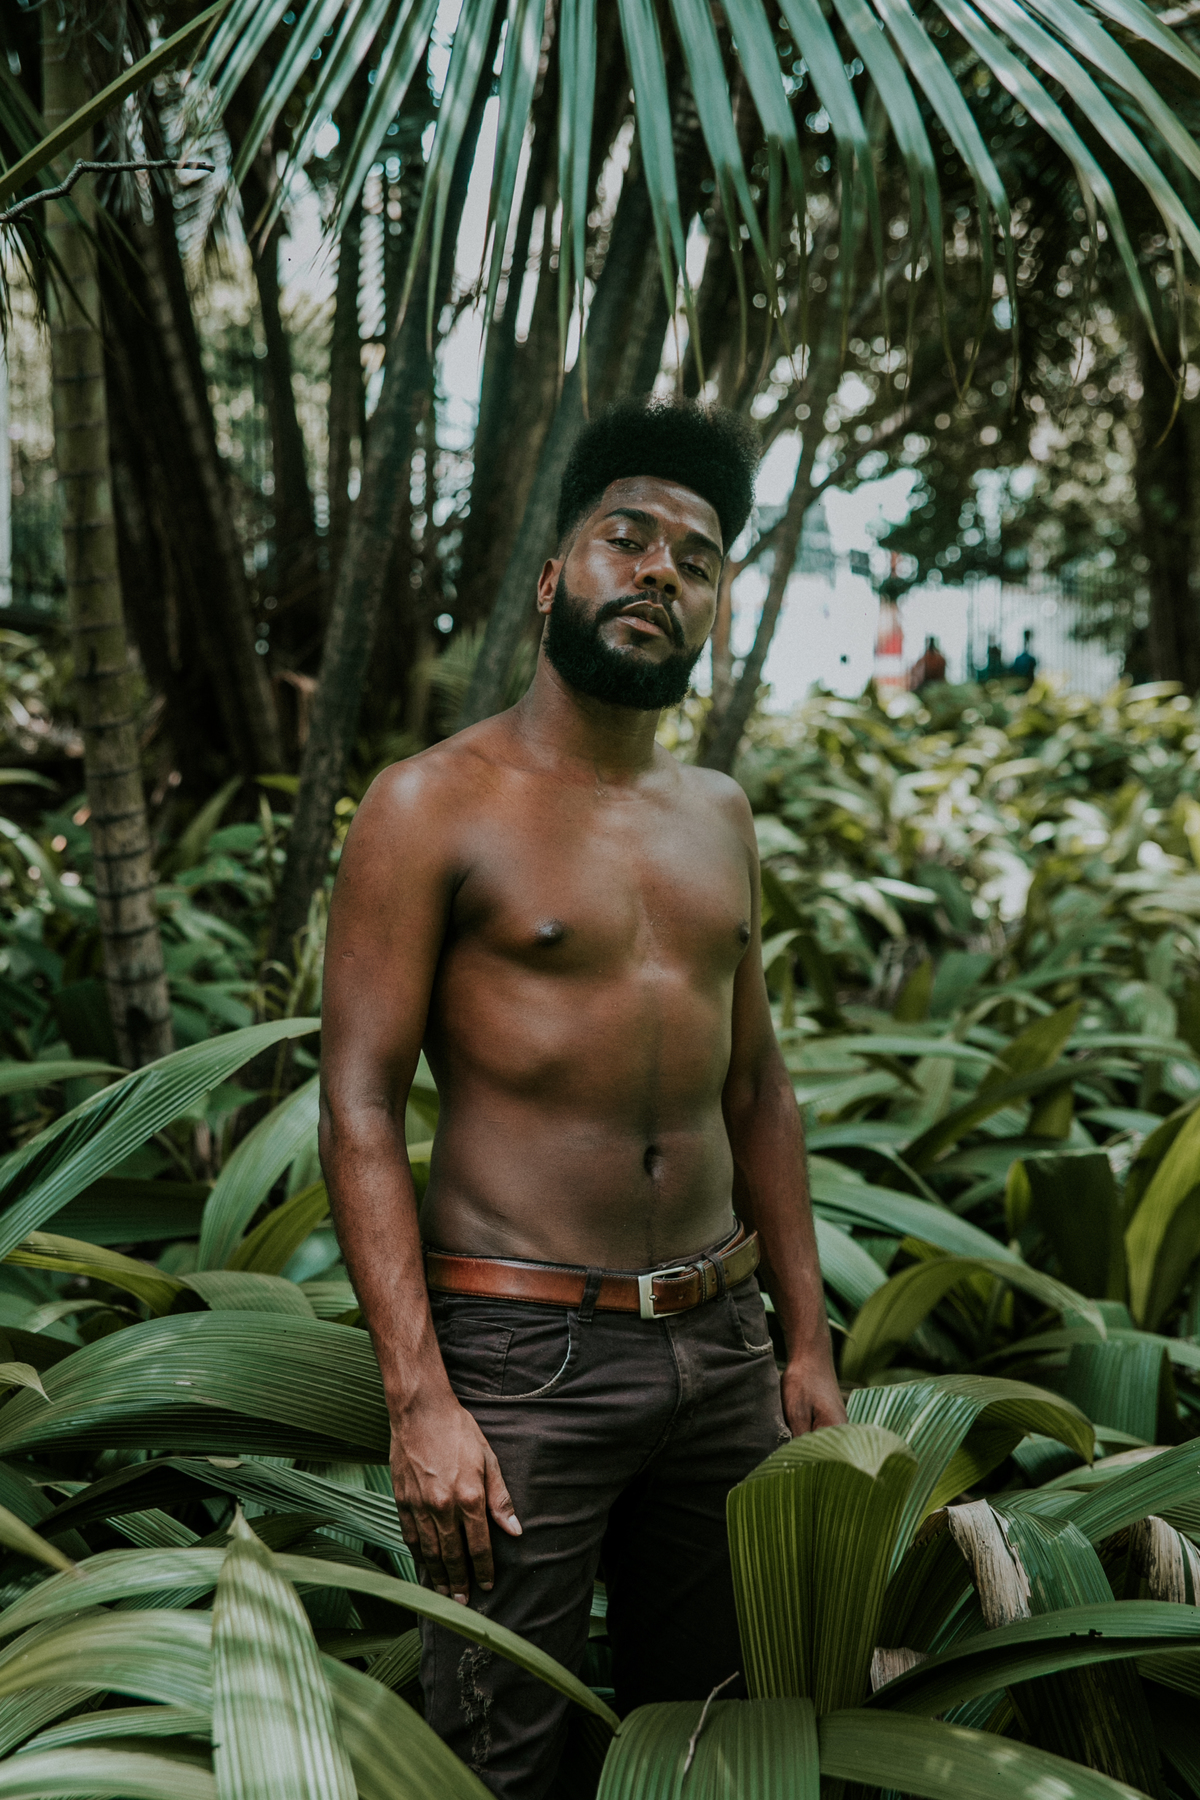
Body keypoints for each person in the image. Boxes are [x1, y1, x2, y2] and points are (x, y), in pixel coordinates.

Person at [319, 398, 846, 1800]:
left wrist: (805, 1340)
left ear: (715, 611)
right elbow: (360, 1102)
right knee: (500, 1754)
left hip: (722, 1352)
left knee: (714, 1740)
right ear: (557, 576)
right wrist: (417, 1396)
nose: (662, 571)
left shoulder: (717, 814)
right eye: (629, 537)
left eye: (698, 557)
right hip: (519, 1365)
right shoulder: (431, 804)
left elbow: (759, 1087)